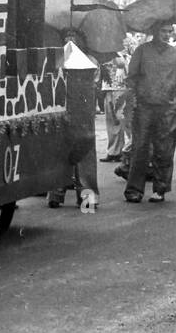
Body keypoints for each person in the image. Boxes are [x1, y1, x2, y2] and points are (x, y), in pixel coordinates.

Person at [124, 22, 176, 203]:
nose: (167, 35)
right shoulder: (142, 51)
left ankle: (160, 189)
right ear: (155, 31)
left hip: (167, 108)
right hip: (144, 108)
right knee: (140, 149)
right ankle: (134, 190)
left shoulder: (175, 53)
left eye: (170, 32)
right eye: (163, 31)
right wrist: (133, 104)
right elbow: (131, 78)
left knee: (164, 150)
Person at [48, 34, 101, 210]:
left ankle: (87, 198)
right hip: (62, 110)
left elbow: (92, 85)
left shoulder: (90, 61)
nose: (70, 40)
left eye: (74, 35)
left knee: (85, 153)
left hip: (83, 111)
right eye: (66, 35)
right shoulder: (56, 59)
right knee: (59, 151)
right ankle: (55, 194)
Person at [102, 49, 131, 161]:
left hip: (120, 87)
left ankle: (132, 149)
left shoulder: (121, 44)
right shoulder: (102, 48)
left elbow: (124, 60)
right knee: (112, 120)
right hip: (109, 87)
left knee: (124, 120)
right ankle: (114, 151)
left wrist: (121, 64)